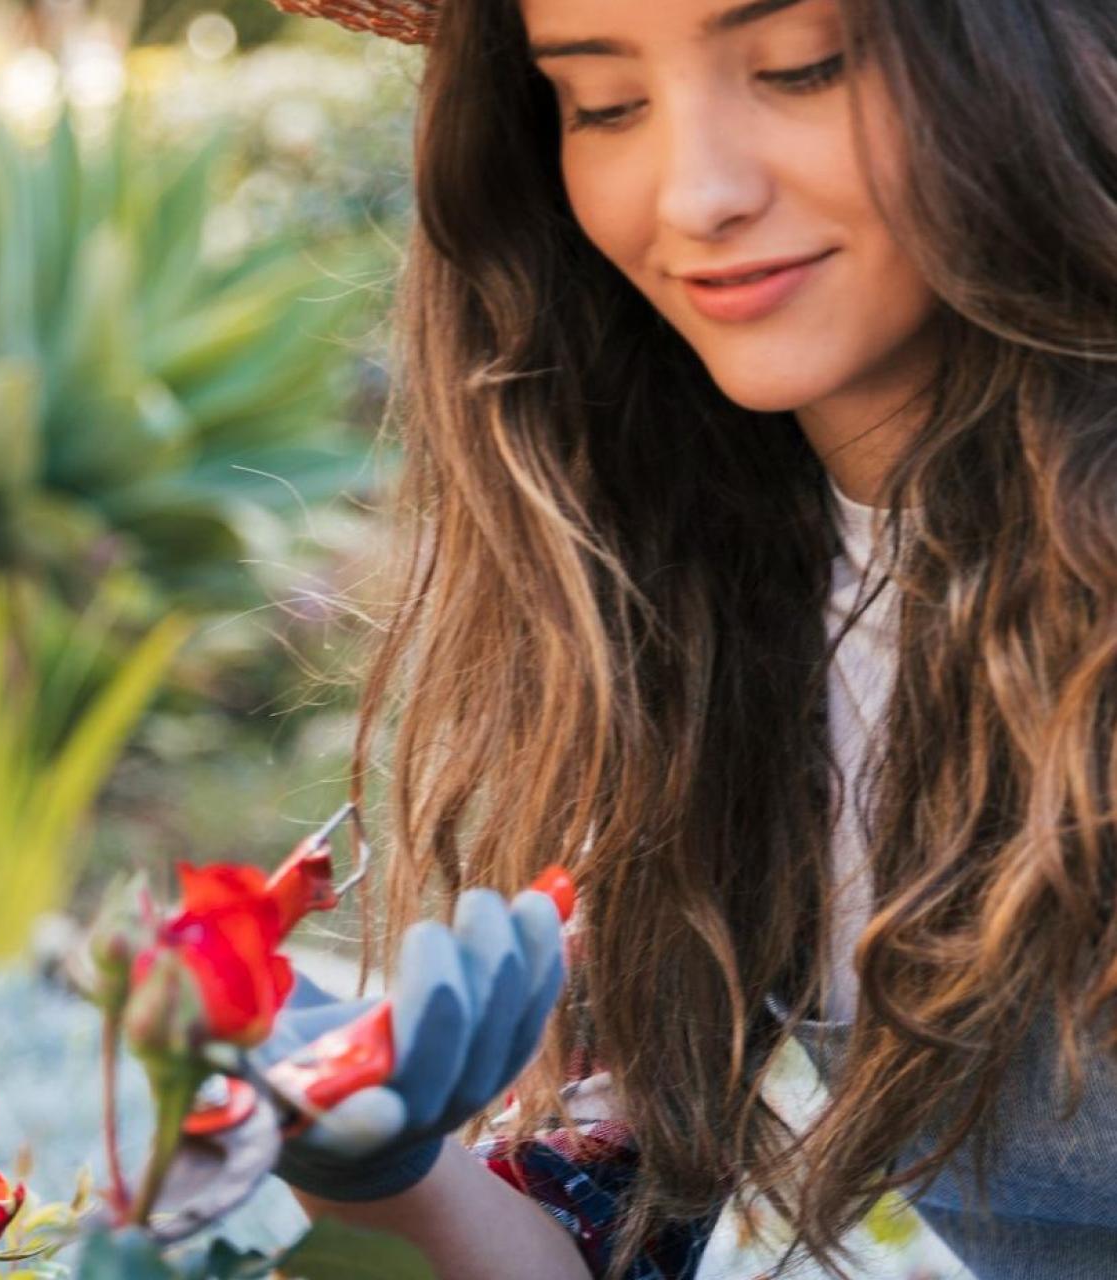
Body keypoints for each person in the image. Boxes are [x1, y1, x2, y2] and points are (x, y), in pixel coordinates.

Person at [241, 0, 1117, 1277]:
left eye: (800, 68)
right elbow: (655, 1242)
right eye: (604, 103)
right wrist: (391, 1168)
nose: (694, 192)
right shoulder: (685, 612)